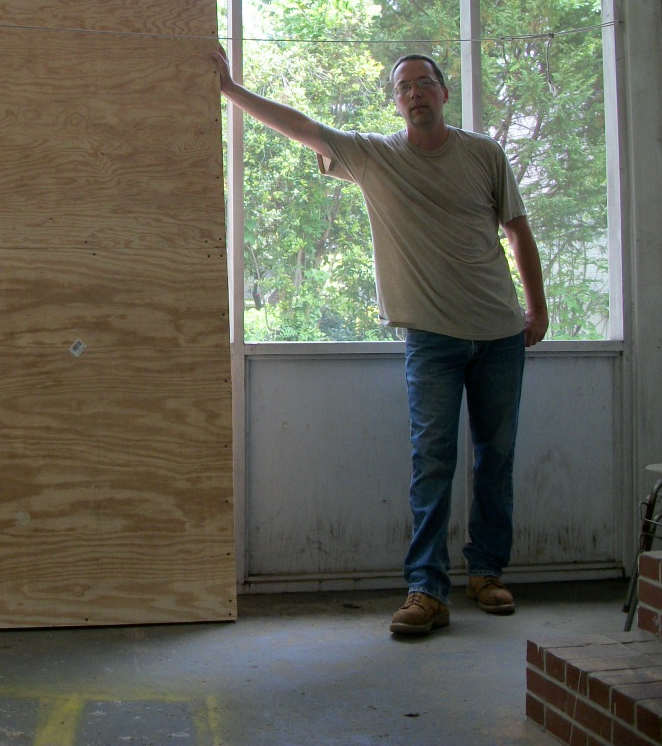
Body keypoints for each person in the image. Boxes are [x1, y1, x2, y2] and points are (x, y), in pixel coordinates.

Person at [213, 48, 548, 636]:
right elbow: (302, 126)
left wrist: (537, 307)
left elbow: (518, 232)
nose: (415, 93)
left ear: (443, 93)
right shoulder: (376, 157)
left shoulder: (484, 154)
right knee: (432, 462)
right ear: (396, 102)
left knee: (496, 457)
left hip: (500, 333)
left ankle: (487, 573)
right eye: (404, 87)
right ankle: (427, 590)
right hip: (432, 338)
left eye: (424, 83)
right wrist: (230, 89)